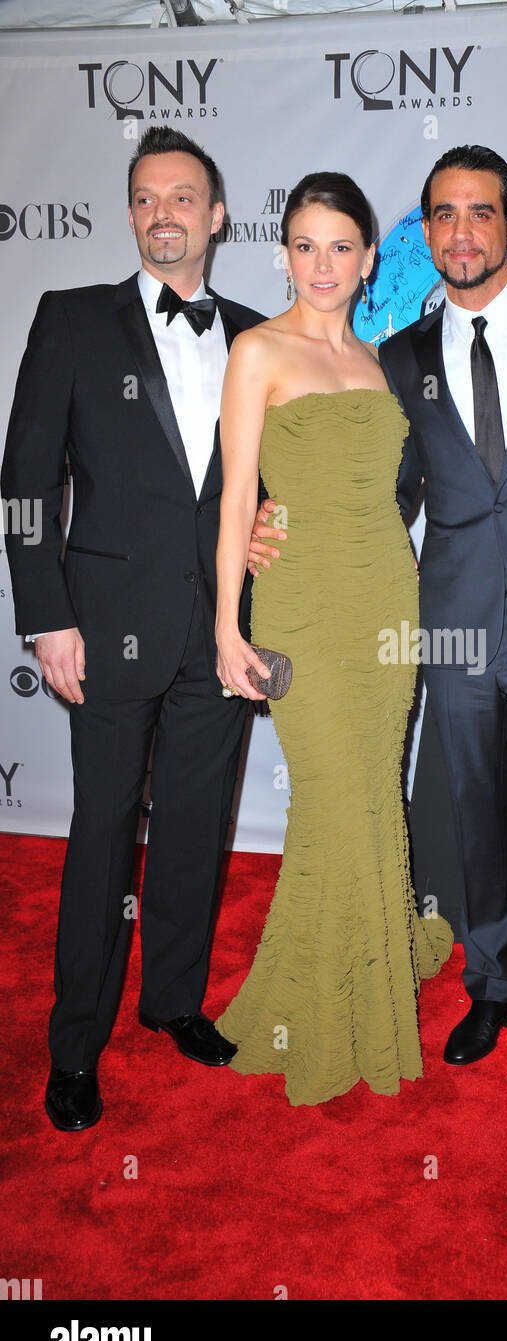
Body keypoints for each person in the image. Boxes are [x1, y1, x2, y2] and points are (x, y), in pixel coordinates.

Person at [251, 145, 507, 1123]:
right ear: (423, 235)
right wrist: (273, 520)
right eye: (442, 216)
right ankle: (492, 984)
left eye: (480, 213)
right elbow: (374, 491)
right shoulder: (398, 358)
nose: (461, 232)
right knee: (473, 811)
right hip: (446, 623)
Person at [0, 126, 265, 1131]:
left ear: (217, 214)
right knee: (102, 832)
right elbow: (26, 481)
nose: (166, 214)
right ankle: (75, 1047)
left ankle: (174, 1002)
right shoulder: (72, 320)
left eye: (184, 197)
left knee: (198, 824)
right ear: (130, 214)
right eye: (148, 198)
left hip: (222, 630)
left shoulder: (255, 332)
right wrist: (46, 616)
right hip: (103, 626)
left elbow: (260, 487)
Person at [214, 172, 451, 1107]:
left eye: (341, 246)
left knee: (369, 791)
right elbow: (237, 497)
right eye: (305, 245)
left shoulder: (381, 364)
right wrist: (227, 625)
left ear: (367, 259)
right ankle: (328, 1008)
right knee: (332, 795)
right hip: (302, 604)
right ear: (283, 254)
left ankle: (368, 968)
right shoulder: (256, 350)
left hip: (387, 598)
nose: (323, 264)